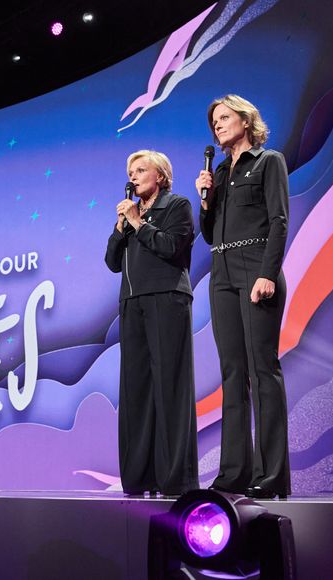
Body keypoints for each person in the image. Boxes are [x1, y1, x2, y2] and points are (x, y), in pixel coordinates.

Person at [195, 94, 291, 499]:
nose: (217, 125)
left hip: (256, 268)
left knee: (261, 370)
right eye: (213, 120)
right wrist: (205, 200)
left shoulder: (268, 161)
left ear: (246, 120)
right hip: (222, 273)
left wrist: (267, 273)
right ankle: (234, 472)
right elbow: (209, 232)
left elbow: (279, 220)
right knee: (232, 373)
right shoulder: (218, 172)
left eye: (224, 117)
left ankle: (271, 477)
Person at [105, 149, 198, 497]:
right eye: (130, 171)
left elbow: (172, 246)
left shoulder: (176, 206)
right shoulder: (130, 214)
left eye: (141, 169)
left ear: (160, 176)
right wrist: (120, 228)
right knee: (136, 390)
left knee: (169, 387)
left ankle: (176, 479)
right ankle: (139, 476)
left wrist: (139, 224)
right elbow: (112, 262)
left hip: (167, 298)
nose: (134, 176)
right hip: (132, 303)